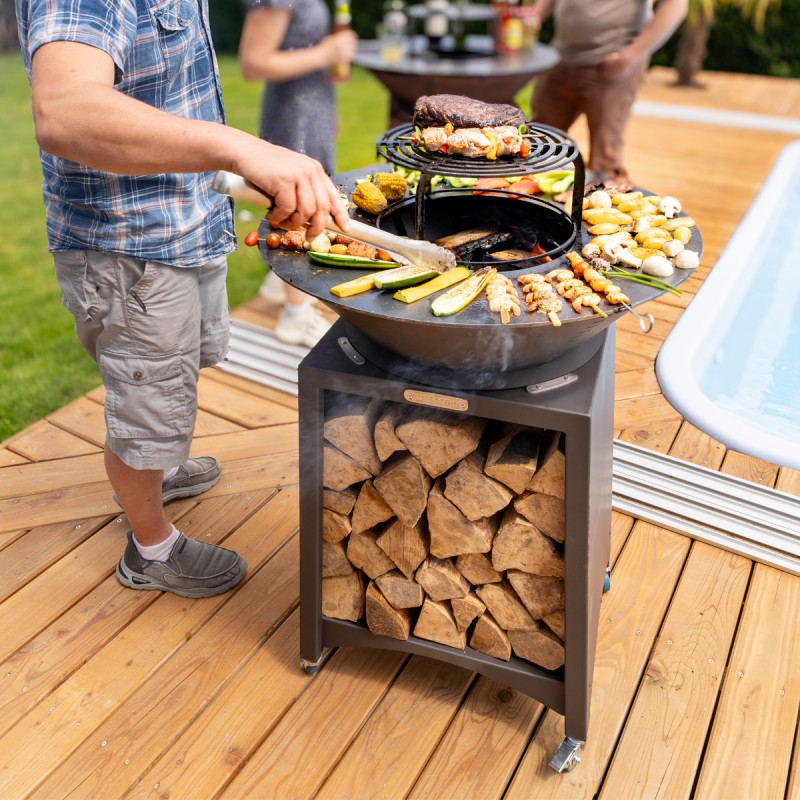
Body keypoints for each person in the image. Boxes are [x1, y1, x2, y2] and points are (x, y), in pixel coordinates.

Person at [15, 0, 351, 598]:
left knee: (173, 377)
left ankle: (159, 470)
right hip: (130, 247)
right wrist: (241, 146)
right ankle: (151, 549)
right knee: (146, 408)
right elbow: (65, 112)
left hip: (183, 225)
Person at [239, 0, 358, 347]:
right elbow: (253, 62)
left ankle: (281, 285)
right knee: (300, 205)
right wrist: (326, 52)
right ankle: (295, 316)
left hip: (313, 108)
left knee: (307, 199)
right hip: (293, 115)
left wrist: (326, 103)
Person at [528, 0, 688, 187]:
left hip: (610, 65)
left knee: (605, 168)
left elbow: (676, 4)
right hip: (559, 58)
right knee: (537, 147)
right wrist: (535, 14)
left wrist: (628, 58)